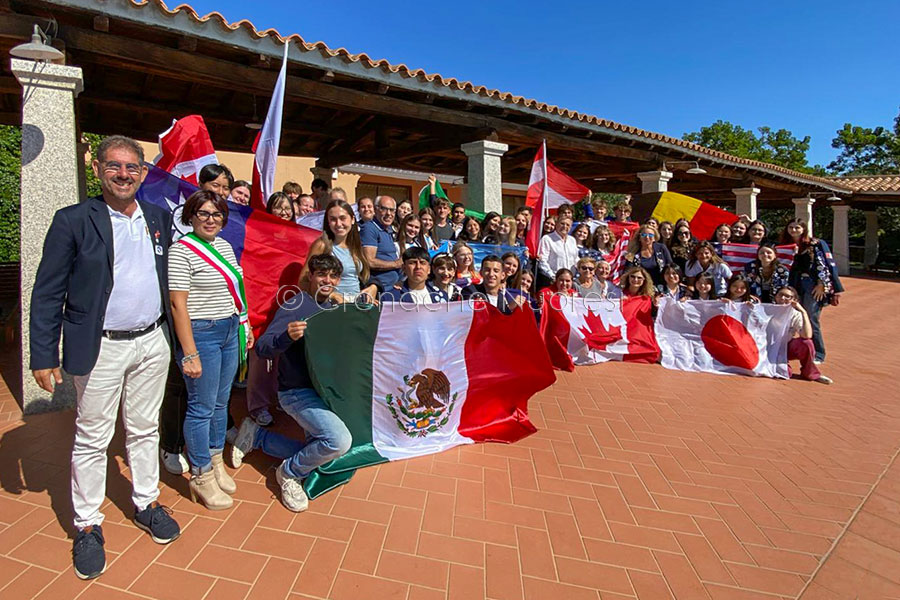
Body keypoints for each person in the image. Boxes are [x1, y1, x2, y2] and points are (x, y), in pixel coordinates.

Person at [30, 135, 180, 579]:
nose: (123, 174)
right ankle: (88, 525)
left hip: (152, 341)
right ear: (97, 168)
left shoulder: (158, 219)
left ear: (143, 173)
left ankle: (146, 502)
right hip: (100, 346)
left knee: (144, 428)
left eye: (131, 167)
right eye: (114, 166)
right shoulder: (73, 220)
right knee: (93, 437)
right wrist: (43, 353)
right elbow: (47, 291)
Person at [169, 189, 254, 511]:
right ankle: (201, 473)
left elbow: (236, 290)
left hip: (230, 329)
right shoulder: (181, 251)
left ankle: (216, 459)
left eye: (216, 214)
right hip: (201, 334)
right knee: (201, 406)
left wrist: (244, 327)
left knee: (221, 403)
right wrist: (189, 352)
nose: (210, 219)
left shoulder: (224, 247)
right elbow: (178, 304)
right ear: (191, 216)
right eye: (203, 213)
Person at [255, 254, 353, 512]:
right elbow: (262, 348)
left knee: (320, 448)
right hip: (297, 393)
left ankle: (258, 437)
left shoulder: (335, 307)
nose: (327, 280)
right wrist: (285, 336)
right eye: (322, 274)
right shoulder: (295, 305)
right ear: (311, 276)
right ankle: (288, 472)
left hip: (325, 392)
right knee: (338, 441)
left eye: (333, 276)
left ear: (339, 280)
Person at [782, 218, 844, 363]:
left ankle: (818, 353)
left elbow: (828, 265)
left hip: (812, 286)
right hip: (793, 285)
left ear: (804, 229)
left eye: (797, 227)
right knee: (791, 316)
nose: (793, 230)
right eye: (790, 227)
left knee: (810, 318)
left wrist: (823, 285)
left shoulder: (816, 244)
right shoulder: (785, 246)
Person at [301, 199, 377, 303]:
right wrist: (331, 295)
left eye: (342, 218)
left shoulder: (355, 245)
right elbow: (303, 282)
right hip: (332, 308)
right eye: (333, 219)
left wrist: (373, 287)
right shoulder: (322, 245)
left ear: (353, 219)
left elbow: (361, 277)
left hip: (355, 306)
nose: (338, 224)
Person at [774, 286, 833, 384]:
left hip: (785, 348)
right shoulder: (766, 310)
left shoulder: (795, 314)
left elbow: (807, 335)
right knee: (785, 373)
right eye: (780, 295)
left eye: (787, 296)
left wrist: (803, 312)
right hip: (767, 349)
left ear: (794, 300)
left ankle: (810, 373)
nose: (783, 298)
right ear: (775, 297)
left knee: (807, 343)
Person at [360, 195, 402, 290]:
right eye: (384, 209)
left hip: (394, 286)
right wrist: (396, 264)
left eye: (392, 210)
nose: (388, 213)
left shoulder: (389, 229)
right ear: (376, 209)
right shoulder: (369, 229)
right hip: (379, 289)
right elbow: (369, 261)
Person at [382, 247, 447, 304]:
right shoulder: (390, 298)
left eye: (422, 263)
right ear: (404, 268)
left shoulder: (442, 296)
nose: (418, 267)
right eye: (412, 263)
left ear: (429, 269)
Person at [538, 216, 579, 283]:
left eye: (568, 225)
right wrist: (552, 276)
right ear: (556, 224)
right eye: (562, 223)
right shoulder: (547, 239)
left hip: (570, 281)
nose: (565, 226)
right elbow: (542, 261)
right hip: (553, 280)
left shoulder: (572, 240)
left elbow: (576, 259)